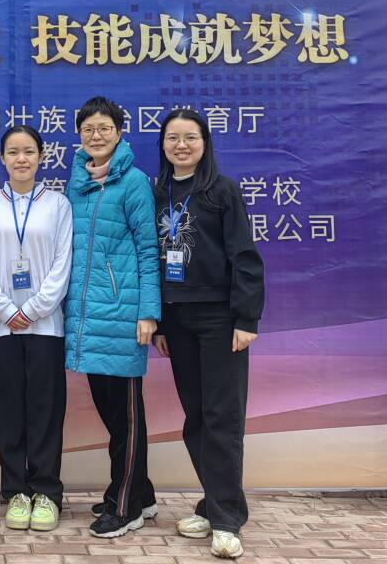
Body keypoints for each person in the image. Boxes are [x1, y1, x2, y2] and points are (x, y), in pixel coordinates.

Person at [152, 109, 264, 561]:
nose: (181, 145)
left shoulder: (222, 190)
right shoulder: (157, 192)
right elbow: (152, 259)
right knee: (196, 418)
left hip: (220, 320)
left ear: (205, 143)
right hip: (177, 322)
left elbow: (245, 257)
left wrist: (246, 319)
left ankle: (226, 521)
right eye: (173, 138)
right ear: (163, 145)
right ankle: (214, 503)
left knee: (223, 418)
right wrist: (160, 323)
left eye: (190, 138)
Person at [63, 96, 161, 539]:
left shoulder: (134, 182)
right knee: (112, 415)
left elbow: (148, 249)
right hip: (87, 318)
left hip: (123, 317)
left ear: (119, 133)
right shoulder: (76, 183)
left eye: (104, 128)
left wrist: (148, 313)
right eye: (88, 129)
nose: (96, 136)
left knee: (126, 419)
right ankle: (143, 492)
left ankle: (125, 507)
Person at [0, 125, 74, 532]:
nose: (21, 159)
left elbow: (63, 263)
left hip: (45, 325)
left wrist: (32, 309)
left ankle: (46, 492)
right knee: (6, 409)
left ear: (41, 156)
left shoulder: (58, 204)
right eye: (13, 152)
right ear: (2, 158)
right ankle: (14, 490)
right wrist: (4, 308)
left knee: (46, 410)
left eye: (29, 151)